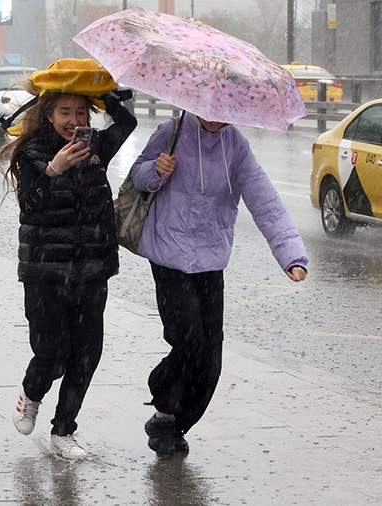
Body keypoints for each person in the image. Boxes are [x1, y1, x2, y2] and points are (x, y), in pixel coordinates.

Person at [130, 113, 309, 456]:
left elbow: (265, 202)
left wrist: (291, 254)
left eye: (223, 116)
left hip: (211, 260)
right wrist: (156, 170)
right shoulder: (172, 132)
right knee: (189, 340)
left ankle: (173, 423)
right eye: (209, 113)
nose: (215, 120)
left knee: (211, 358)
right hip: (169, 255)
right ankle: (164, 399)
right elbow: (136, 177)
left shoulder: (236, 147)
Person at [0, 59, 137, 459]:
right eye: (64, 112)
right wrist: (53, 171)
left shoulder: (96, 148)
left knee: (87, 352)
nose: (72, 121)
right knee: (51, 352)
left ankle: (64, 431)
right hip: (45, 270)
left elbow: (127, 124)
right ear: (48, 114)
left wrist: (103, 96)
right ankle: (32, 392)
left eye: (79, 112)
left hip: (93, 268)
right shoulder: (33, 152)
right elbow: (32, 208)